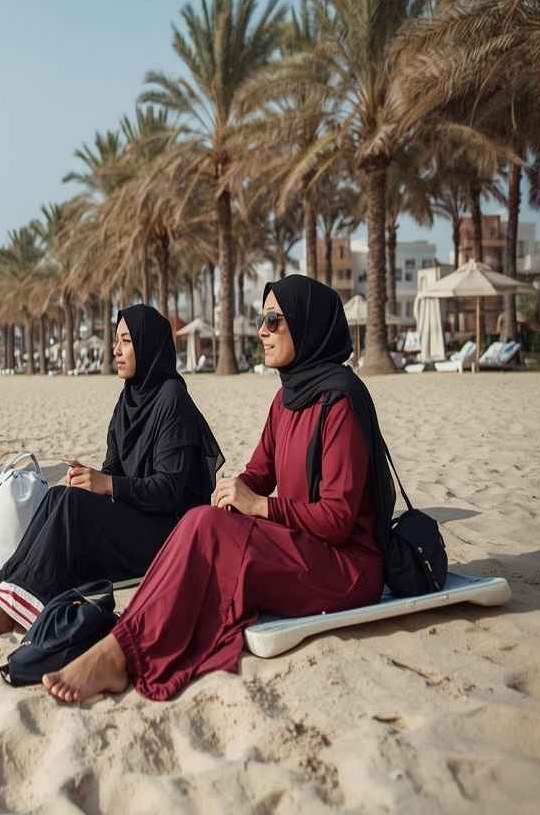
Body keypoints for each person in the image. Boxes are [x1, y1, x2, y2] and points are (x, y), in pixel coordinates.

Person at [42, 275, 390, 703]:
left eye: (272, 319)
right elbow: (258, 474)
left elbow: (337, 520)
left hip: (346, 568)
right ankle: (122, 643)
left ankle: (118, 657)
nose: (261, 330)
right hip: (303, 543)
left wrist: (260, 506)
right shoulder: (286, 400)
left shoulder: (340, 401)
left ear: (307, 323)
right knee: (200, 519)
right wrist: (235, 492)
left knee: (205, 527)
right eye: (260, 319)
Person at [0, 304, 223, 635]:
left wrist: (106, 484)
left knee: (69, 506)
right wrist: (90, 481)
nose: (115, 350)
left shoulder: (172, 400)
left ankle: (10, 606)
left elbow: (170, 491)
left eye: (125, 341)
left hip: (168, 535)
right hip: (137, 517)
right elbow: (114, 472)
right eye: (116, 340)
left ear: (148, 344)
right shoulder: (129, 400)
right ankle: (9, 587)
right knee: (58, 496)